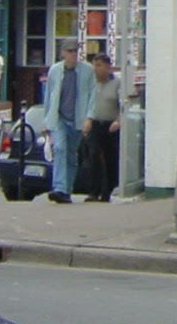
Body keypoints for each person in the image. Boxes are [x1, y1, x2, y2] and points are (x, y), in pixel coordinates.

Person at [42, 41, 96, 205]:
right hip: (59, 118)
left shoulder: (87, 70)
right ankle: (59, 188)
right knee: (59, 148)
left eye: (75, 51)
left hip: (78, 119)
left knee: (71, 155)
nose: (73, 54)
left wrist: (89, 117)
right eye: (70, 51)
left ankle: (66, 191)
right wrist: (46, 120)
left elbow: (93, 94)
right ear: (63, 53)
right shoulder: (55, 70)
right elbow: (48, 96)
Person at [85, 53, 121, 202]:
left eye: (99, 65)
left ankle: (107, 191)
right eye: (94, 65)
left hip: (110, 125)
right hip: (94, 123)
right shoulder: (91, 84)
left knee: (110, 158)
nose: (95, 69)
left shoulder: (117, 84)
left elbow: (124, 105)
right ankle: (94, 191)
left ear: (108, 67)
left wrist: (119, 121)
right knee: (93, 155)